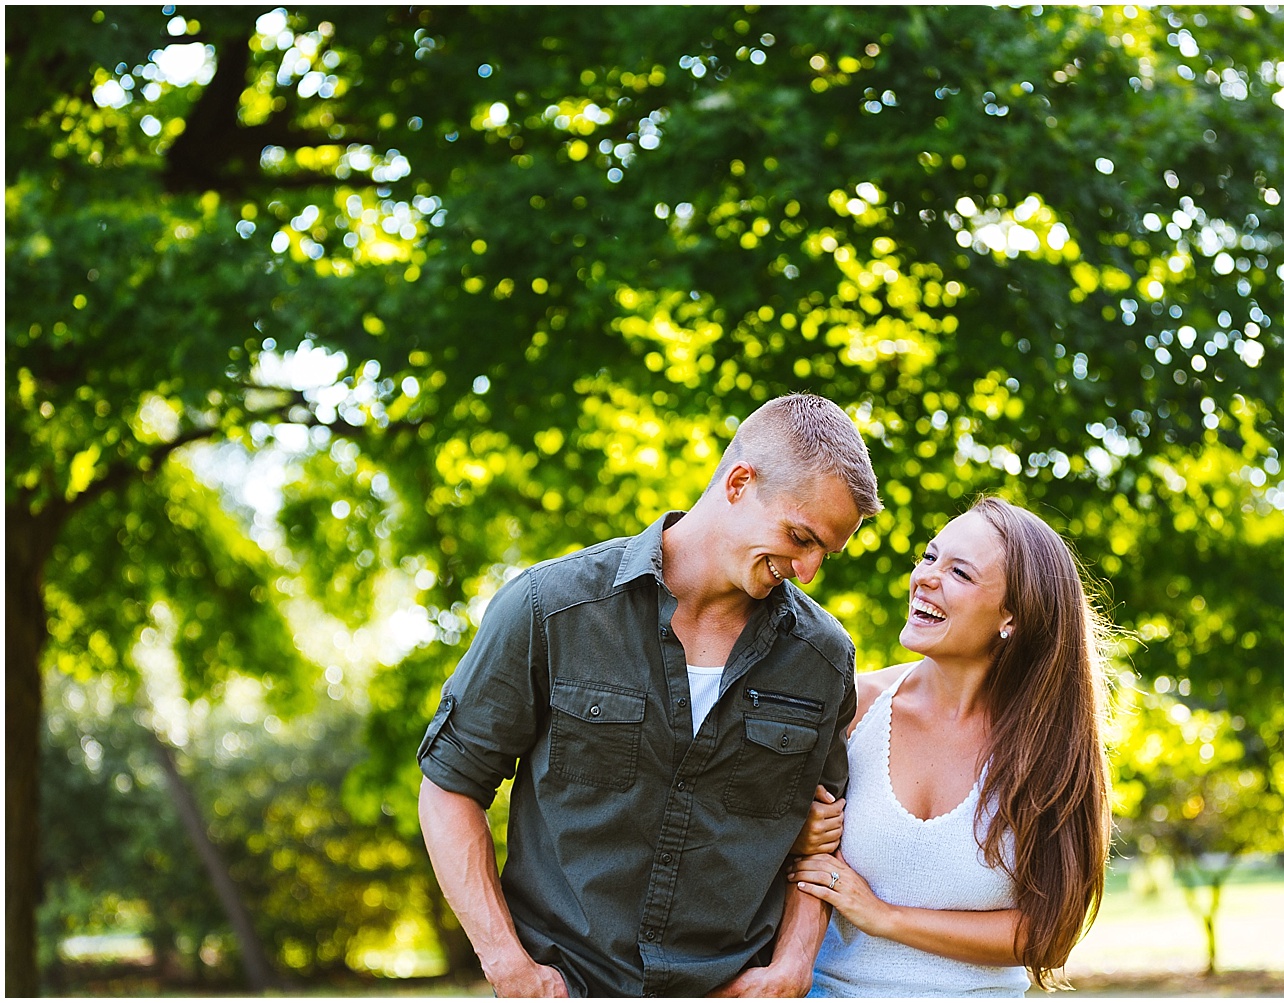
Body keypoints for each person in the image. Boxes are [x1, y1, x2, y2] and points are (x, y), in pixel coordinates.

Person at [415, 392, 882, 997]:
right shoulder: (551, 610)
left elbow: (823, 830)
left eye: (826, 551)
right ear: (739, 482)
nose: (810, 569)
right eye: (799, 536)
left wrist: (792, 965)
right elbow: (451, 786)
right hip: (567, 980)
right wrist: (508, 964)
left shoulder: (821, 657)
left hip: (728, 988)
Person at [789, 495, 1112, 997]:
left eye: (960, 573)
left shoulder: (1050, 749)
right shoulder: (853, 706)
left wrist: (884, 917)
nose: (926, 577)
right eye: (929, 556)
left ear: (1012, 617)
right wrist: (795, 832)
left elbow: (1048, 934)